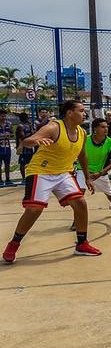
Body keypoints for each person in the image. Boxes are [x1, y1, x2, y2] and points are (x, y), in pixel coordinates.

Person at [3, 100, 101, 263]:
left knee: (80, 203)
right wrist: (35, 141)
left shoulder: (82, 132)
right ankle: (14, 244)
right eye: (81, 110)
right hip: (41, 172)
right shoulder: (54, 127)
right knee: (34, 210)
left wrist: (87, 177)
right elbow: (26, 141)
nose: (85, 114)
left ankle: (82, 244)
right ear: (70, 113)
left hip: (63, 172)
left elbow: (82, 155)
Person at [72, 117, 111, 229]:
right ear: (95, 129)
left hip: (99, 173)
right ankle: (77, 220)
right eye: (102, 127)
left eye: (107, 126)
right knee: (79, 194)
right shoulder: (84, 140)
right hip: (82, 170)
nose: (106, 129)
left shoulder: (110, 143)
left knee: (109, 193)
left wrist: (100, 173)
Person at [14, 113, 35, 179]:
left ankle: (30, 177)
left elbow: (33, 133)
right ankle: (23, 178)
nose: (28, 119)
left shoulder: (28, 125)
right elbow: (23, 137)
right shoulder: (20, 126)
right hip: (23, 147)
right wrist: (32, 135)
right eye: (27, 117)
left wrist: (31, 128)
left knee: (30, 162)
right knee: (22, 163)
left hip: (29, 146)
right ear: (25, 118)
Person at [0, 110, 12, 184]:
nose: (4, 117)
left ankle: (8, 179)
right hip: (0, 147)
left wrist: (9, 135)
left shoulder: (9, 123)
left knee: (7, 164)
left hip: (7, 147)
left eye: (5, 116)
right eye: (2, 116)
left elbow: (12, 133)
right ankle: (0, 180)